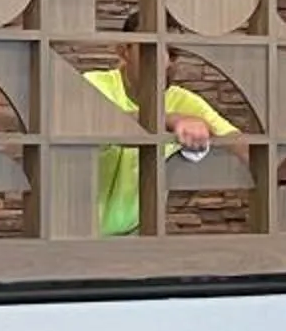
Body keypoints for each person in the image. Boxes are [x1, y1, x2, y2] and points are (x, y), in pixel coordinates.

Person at [81, 65, 242, 235]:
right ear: (124, 51)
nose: (166, 62)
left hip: (135, 237)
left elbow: (236, 140)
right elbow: (109, 124)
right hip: (67, 235)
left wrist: (266, 164)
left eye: (173, 54)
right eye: (152, 49)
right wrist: (171, 120)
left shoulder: (182, 100)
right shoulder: (93, 85)